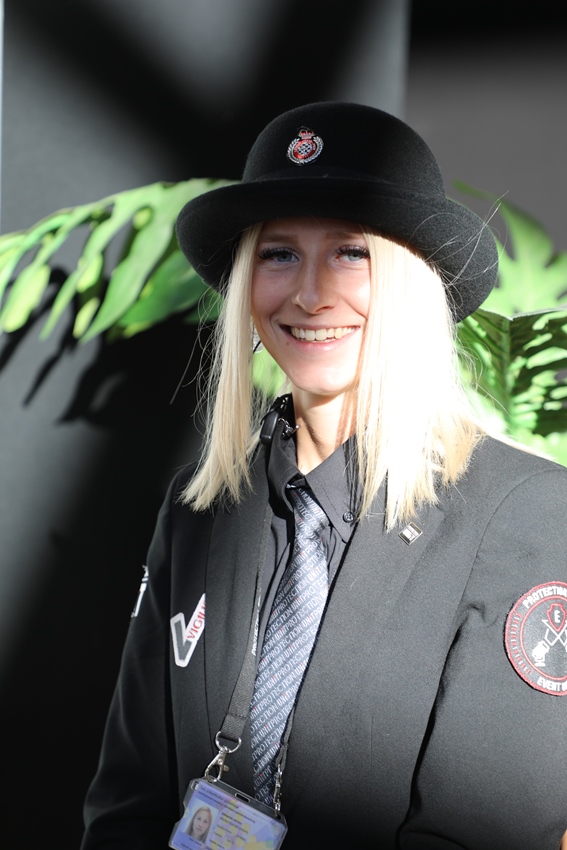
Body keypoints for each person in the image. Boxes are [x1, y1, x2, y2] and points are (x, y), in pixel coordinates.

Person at [81, 102, 567, 849]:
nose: (309, 295)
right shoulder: (195, 511)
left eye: (350, 253)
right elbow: (127, 805)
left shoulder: (525, 513)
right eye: (278, 254)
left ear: (413, 283)